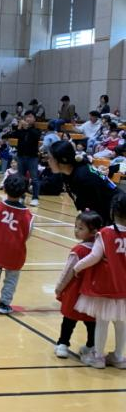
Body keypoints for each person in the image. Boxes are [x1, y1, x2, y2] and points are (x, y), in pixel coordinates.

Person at [73, 194, 126, 369]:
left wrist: (77, 267)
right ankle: (119, 357)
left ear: (112, 211)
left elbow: (94, 256)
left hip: (107, 286)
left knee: (102, 321)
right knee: (121, 322)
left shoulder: (105, 233)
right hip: (124, 287)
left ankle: (98, 357)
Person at [0, 175, 34, 314]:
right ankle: (4, 304)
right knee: (11, 279)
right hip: (15, 251)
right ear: (24, 192)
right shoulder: (28, 215)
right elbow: (27, 235)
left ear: (4, 189)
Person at [53, 211, 102, 359]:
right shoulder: (103, 250)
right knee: (91, 321)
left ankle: (63, 344)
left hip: (76, 291)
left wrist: (59, 288)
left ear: (94, 231)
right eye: (76, 226)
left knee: (69, 319)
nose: (76, 230)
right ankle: (90, 346)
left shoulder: (79, 250)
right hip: (93, 293)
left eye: (81, 228)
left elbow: (68, 272)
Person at [48, 140, 118, 224]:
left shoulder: (83, 176)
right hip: (106, 210)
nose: (48, 161)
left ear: (63, 160)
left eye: (50, 158)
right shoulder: (67, 174)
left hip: (116, 210)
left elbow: (98, 208)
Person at [6, 110, 42, 206]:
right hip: (21, 156)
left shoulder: (36, 130)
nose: (27, 119)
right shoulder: (22, 130)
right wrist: (19, 127)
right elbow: (14, 135)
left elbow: (35, 136)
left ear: (34, 119)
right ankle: (21, 196)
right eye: (26, 117)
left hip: (32, 157)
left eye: (30, 117)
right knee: (21, 178)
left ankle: (35, 198)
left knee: (34, 178)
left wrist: (27, 127)